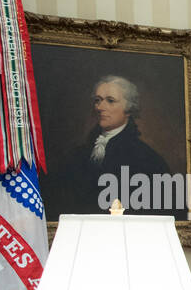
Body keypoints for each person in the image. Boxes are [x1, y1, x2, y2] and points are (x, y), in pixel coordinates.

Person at [43, 75, 171, 218]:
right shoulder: (78, 154)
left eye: (110, 101)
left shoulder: (147, 159)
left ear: (129, 108)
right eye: (97, 100)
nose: (100, 107)